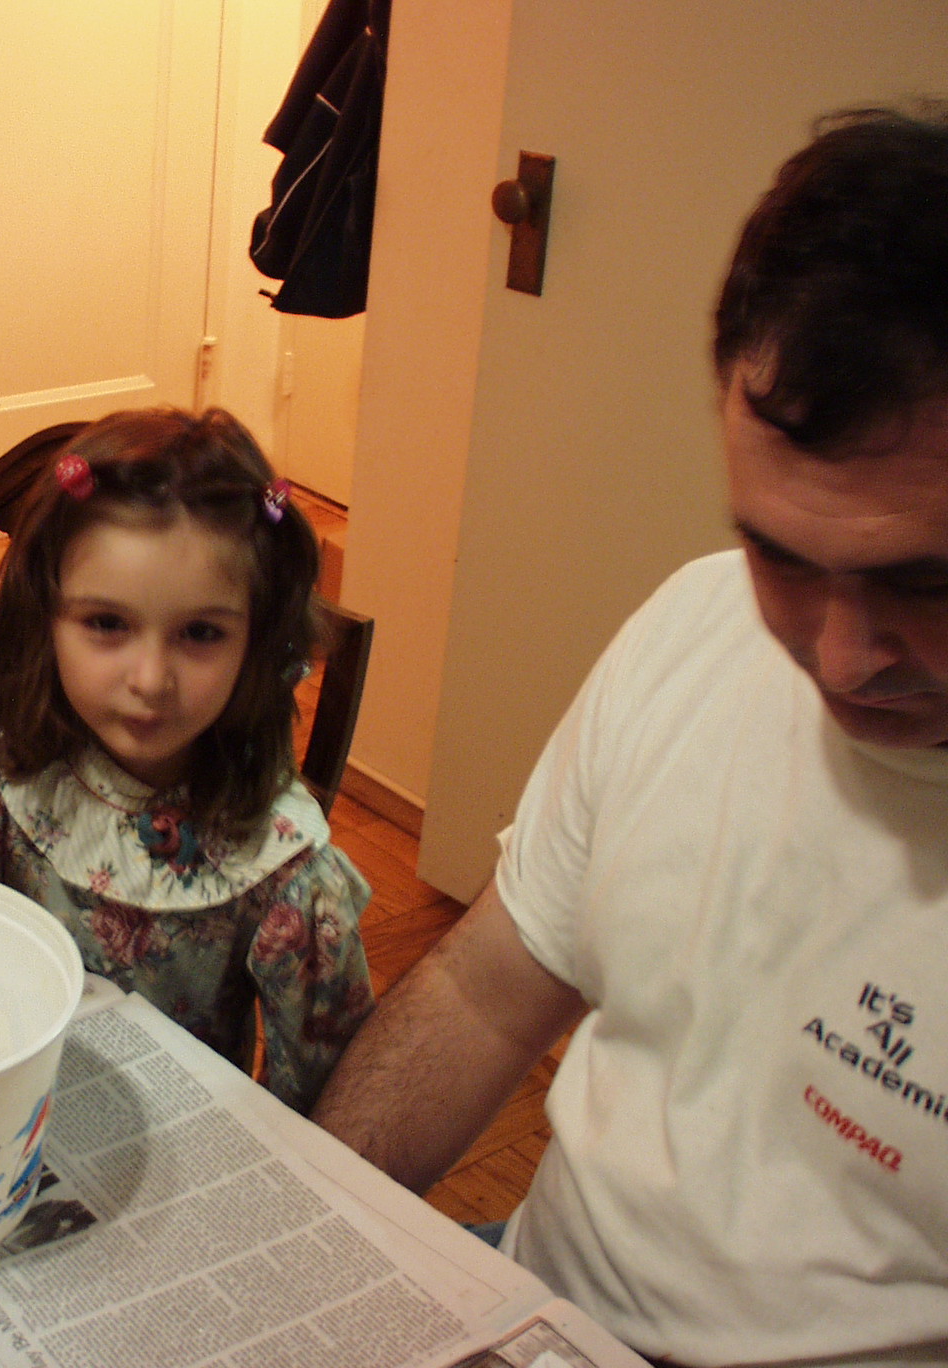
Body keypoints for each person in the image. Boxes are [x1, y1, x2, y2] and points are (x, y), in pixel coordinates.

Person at [312, 106, 948, 1365]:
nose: (836, 657)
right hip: (529, 1297)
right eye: (779, 556)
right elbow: (482, 996)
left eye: (923, 584)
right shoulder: (694, 622)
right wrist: (303, 1240)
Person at [0, 407, 375, 1112]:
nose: (150, 680)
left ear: (256, 639)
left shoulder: (288, 869)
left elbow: (328, 1115)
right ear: (43, 614)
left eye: (201, 633)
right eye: (106, 623)